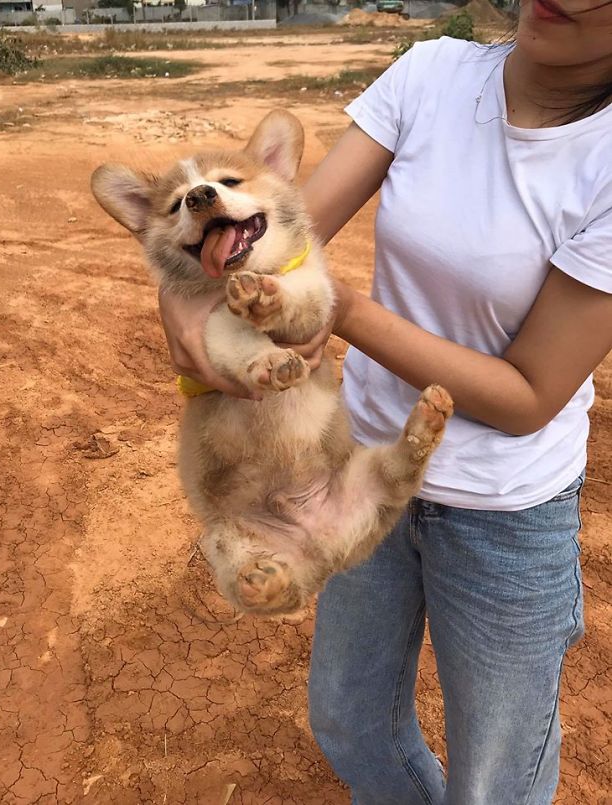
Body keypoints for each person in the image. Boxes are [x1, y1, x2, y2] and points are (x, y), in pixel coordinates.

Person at [158, 0, 612, 801]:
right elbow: (284, 233)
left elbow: (528, 395)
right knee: (350, 720)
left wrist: (341, 311)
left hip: (503, 515)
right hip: (357, 466)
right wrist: (183, 297)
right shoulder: (433, 73)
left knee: (494, 781)